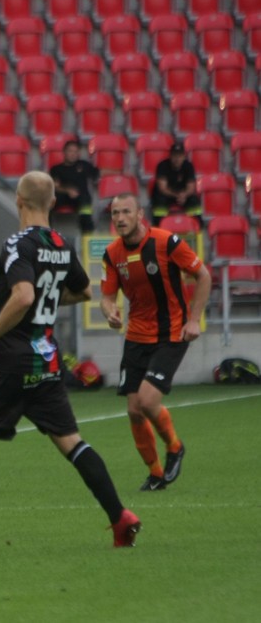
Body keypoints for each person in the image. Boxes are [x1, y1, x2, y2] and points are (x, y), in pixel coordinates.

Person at [0, 171, 140, 553]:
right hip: (47, 361)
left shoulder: (18, 245)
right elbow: (85, 290)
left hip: (9, 361)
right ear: (53, 204)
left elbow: (23, 296)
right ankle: (120, 516)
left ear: (18, 202)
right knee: (71, 441)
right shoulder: (60, 243)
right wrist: (49, 301)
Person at [100, 192, 211, 491]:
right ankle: (156, 473)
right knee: (134, 410)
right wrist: (110, 312)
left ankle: (175, 447)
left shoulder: (167, 242)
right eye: (115, 213)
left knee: (148, 402)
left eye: (126, 212)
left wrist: (193, 319)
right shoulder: (112, 254)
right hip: (136, 336)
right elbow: (107, 296)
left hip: (172, 332)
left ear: (139, 215)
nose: (120, 218)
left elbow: (203, 276)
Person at [49, 139, 100, 234]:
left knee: (85, 201)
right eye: (70, 151)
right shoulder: (56, 169)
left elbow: (99, 173)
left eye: (76, 151)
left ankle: (87, 234)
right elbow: (55, 186)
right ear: (64, 152)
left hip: (80, 198)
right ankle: (46, 233)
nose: (73, 154)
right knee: (48, 200)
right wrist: (67, 190)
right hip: (62, 196)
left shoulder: (84, 165)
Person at [149, 142, 203, 228]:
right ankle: (159, 227)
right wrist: (177, 195)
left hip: (183, 195)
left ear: (184, 156)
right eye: (175, 155)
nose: (177, 159)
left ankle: (196, 227)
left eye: (179, 156)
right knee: (159, 200)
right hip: (167, 195)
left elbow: (191, 187)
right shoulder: (162, 166)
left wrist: (184, 195)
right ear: (170, 156)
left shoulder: (188, 166)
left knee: (194, 200)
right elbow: (162, 188)